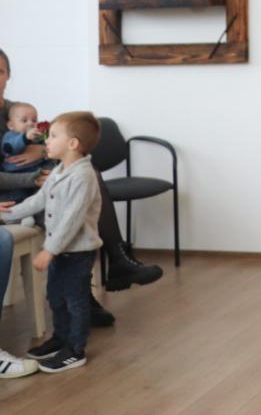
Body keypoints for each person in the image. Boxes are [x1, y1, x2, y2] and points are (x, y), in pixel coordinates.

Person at [0, 49, 162, 332]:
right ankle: (102, 279)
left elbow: (53, 137)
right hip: (12, 194)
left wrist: (41, 151)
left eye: (0, 71)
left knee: (88, 178)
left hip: (39, 183)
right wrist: (35, 179)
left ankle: (111, 265)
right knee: (68, 209)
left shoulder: (18, 109)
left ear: (9, 75)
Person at [0, 111, 103, 373]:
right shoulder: (59, 170)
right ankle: (60, 338)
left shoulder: (83, 176)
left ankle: (75, 350)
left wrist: (49, 250)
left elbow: (72, 220)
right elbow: (38, 200)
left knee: (75, 301)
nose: (46, 140)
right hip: (60, 251)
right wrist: (7, 214)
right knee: (55, 297)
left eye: (53, 136)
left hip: (77, 252)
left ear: (73, 144)